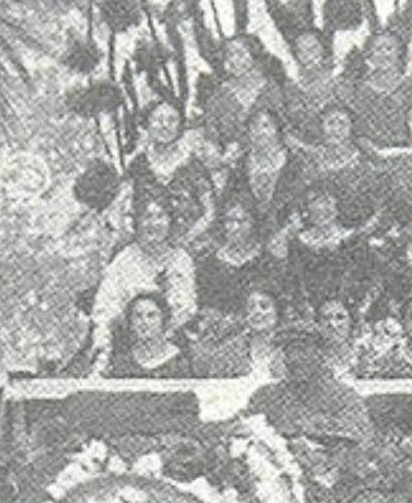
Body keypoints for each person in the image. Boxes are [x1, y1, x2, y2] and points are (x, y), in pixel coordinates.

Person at [90, 190, 198, 366]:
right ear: (138, 222)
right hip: (128, 348)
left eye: (160, 217)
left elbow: (186, 308)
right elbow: (104, 307)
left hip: (172, 350)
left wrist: (161, 338)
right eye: (147, 217)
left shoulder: (181, 260)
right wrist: (103, 342)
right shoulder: (124, 260)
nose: (153, 223)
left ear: (169, 221)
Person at [246, 321, 374, 447]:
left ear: (321, 354)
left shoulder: (344, 398)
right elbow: (243, 424)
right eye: (288, 351)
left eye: (303, 350)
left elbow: (359, 440)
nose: (293, 358)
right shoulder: (266, 396)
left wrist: (310, 428)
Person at [124, 100, 214, 240]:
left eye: (172, 120)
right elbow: (124, 208)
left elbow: (209, 213)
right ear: (147, 125)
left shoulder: (194, 166)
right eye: (158, 120)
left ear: (180, 125)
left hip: (189, 244)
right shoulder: (138, 165)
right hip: (146, 244)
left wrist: (186, 240)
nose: (165, 125)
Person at [277, 185, 368, 315]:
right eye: (314, 201)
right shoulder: (297, 243)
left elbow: (365, 278)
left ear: (338, 206)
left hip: (346, 313)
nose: (321, 208)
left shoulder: (354, 241)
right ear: (306, 209)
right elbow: (290, 280)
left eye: (327, 202)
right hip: (307, 314)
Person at [194, 194, 274, 316]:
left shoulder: (266, 261)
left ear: (253, 223)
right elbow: (204, 306)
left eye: (242, 221)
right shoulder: (208, 264)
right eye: (230, 220)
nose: (235, 227)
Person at [106, 291, 192, 379]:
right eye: (138, 316)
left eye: (151, 316)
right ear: (131, 322)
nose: (144, 322)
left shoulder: (180, 362)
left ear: (164, 319)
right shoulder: (122, 363)